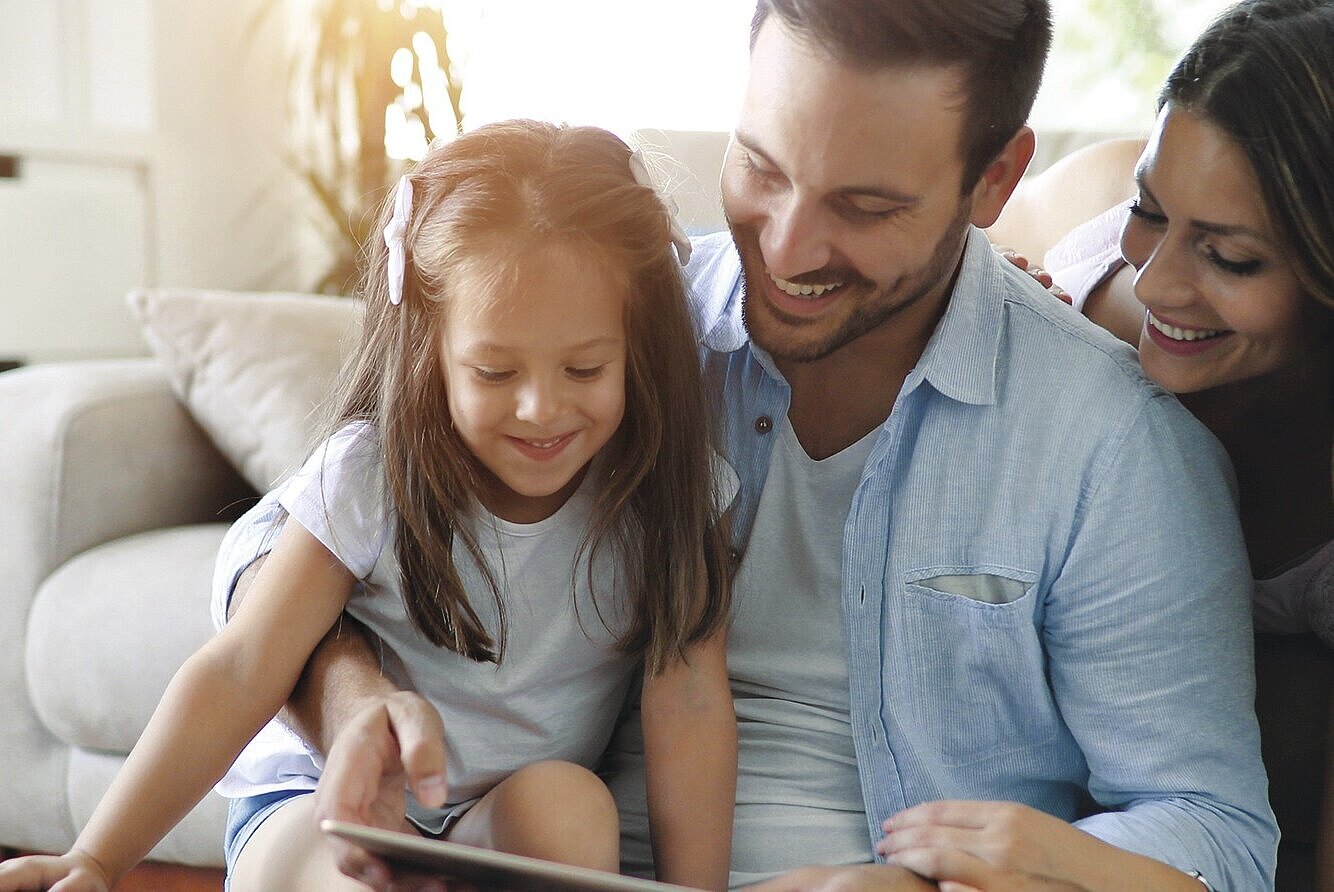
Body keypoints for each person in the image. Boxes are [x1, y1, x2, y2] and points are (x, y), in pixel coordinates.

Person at [207, 1, 1279, 890]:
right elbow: (278, 540)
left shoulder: (1107, 443)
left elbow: (1214, 829)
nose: (786, 245)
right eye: (761, 167)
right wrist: (354, 697)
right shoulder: (613, 328)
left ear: (994, 182)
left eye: (863, 205)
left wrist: (949, 880)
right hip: (513, 847)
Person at [0, 121, 737, 892]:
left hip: (491, 819)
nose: (540, 408)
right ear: (433, 350)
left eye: (584, 368)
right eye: (492, 371)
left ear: (636, 345)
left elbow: (688, 703)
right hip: (324, 812)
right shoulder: (371, 473)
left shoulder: (674, 495)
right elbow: (243, 665)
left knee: (574, 809)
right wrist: (96, 857)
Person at [1001, 0, 1334, 886]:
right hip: (1062, 223)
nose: (1158, 284)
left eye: (1231, 258)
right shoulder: (1100, 287)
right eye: (1153, 210)